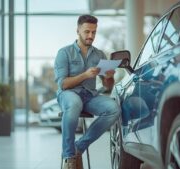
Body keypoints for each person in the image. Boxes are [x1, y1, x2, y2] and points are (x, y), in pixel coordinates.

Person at [54, 14, 121, 169]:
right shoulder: (64, 53)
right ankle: (69, 157)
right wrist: (85, 75)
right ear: (78, 30)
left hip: (90, 96)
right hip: (68, 94)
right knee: (74, 103)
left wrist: (109, 77)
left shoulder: (99, 55)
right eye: (87, 32)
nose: (91, 36)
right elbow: (63, 84)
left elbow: (108, 86)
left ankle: (79, 147)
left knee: (113, 108)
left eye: (94, 32)